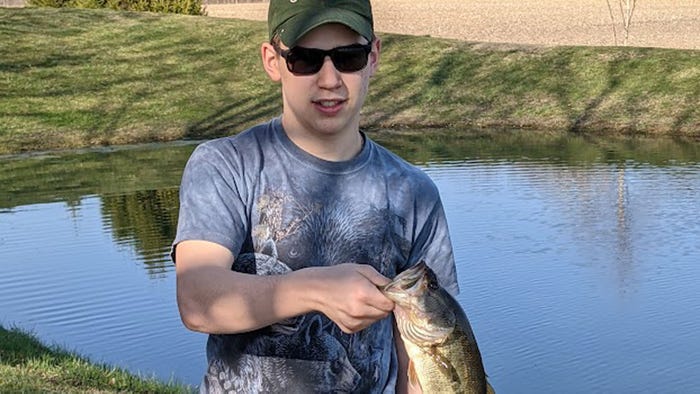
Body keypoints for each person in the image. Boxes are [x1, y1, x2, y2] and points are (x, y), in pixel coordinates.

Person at [172, 0, 459, 392]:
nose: (330, 79)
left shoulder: (414, 193)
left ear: (373, 57)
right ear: (272, 60)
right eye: (306, 59)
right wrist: (315, 290)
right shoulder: (226, 165)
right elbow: (197, 299)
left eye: (348, 57)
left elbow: (423, 358)